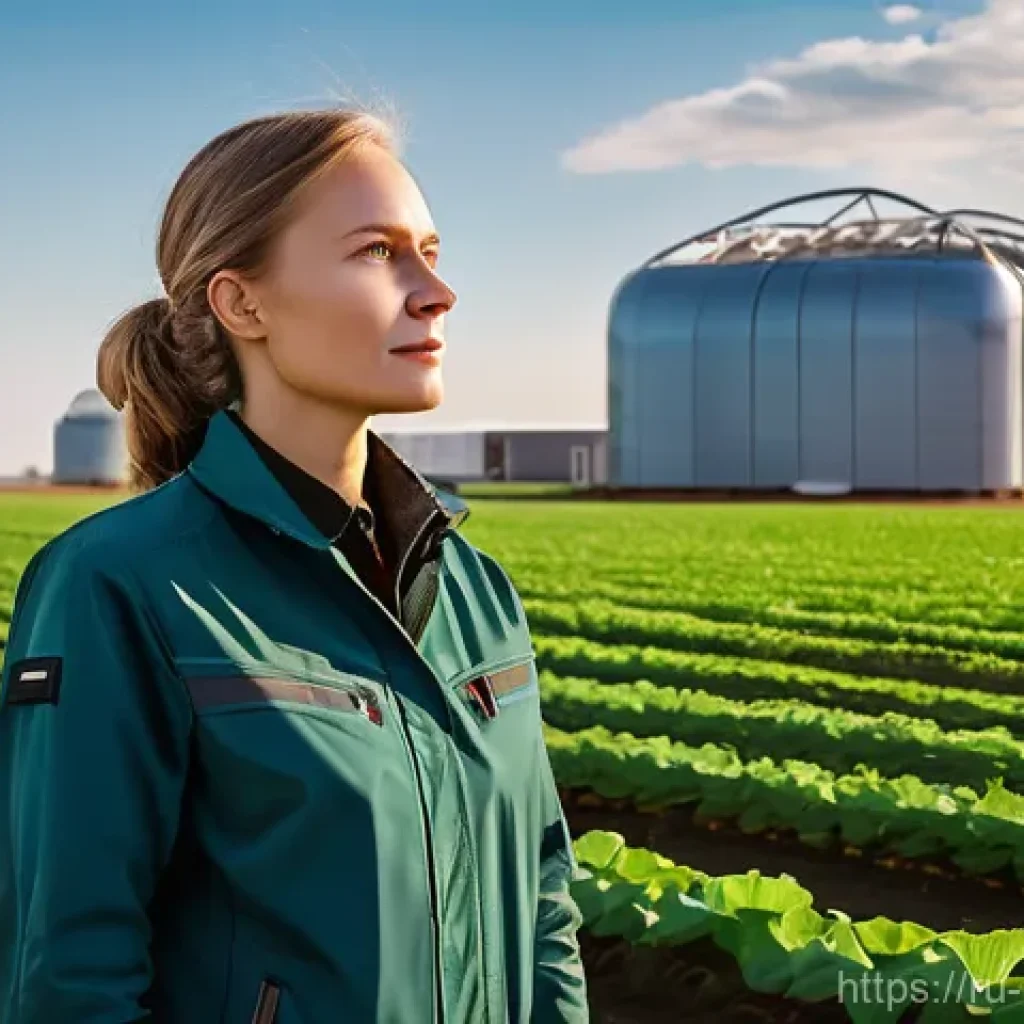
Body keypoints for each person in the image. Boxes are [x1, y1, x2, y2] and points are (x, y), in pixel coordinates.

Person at [0, 108, 589, 1024]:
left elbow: (544, 902)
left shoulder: (476, 591)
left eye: (430, 250)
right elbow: (72, 973)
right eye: (377, 253)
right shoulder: (119, 585)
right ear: (243, 304)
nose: (436, 291)